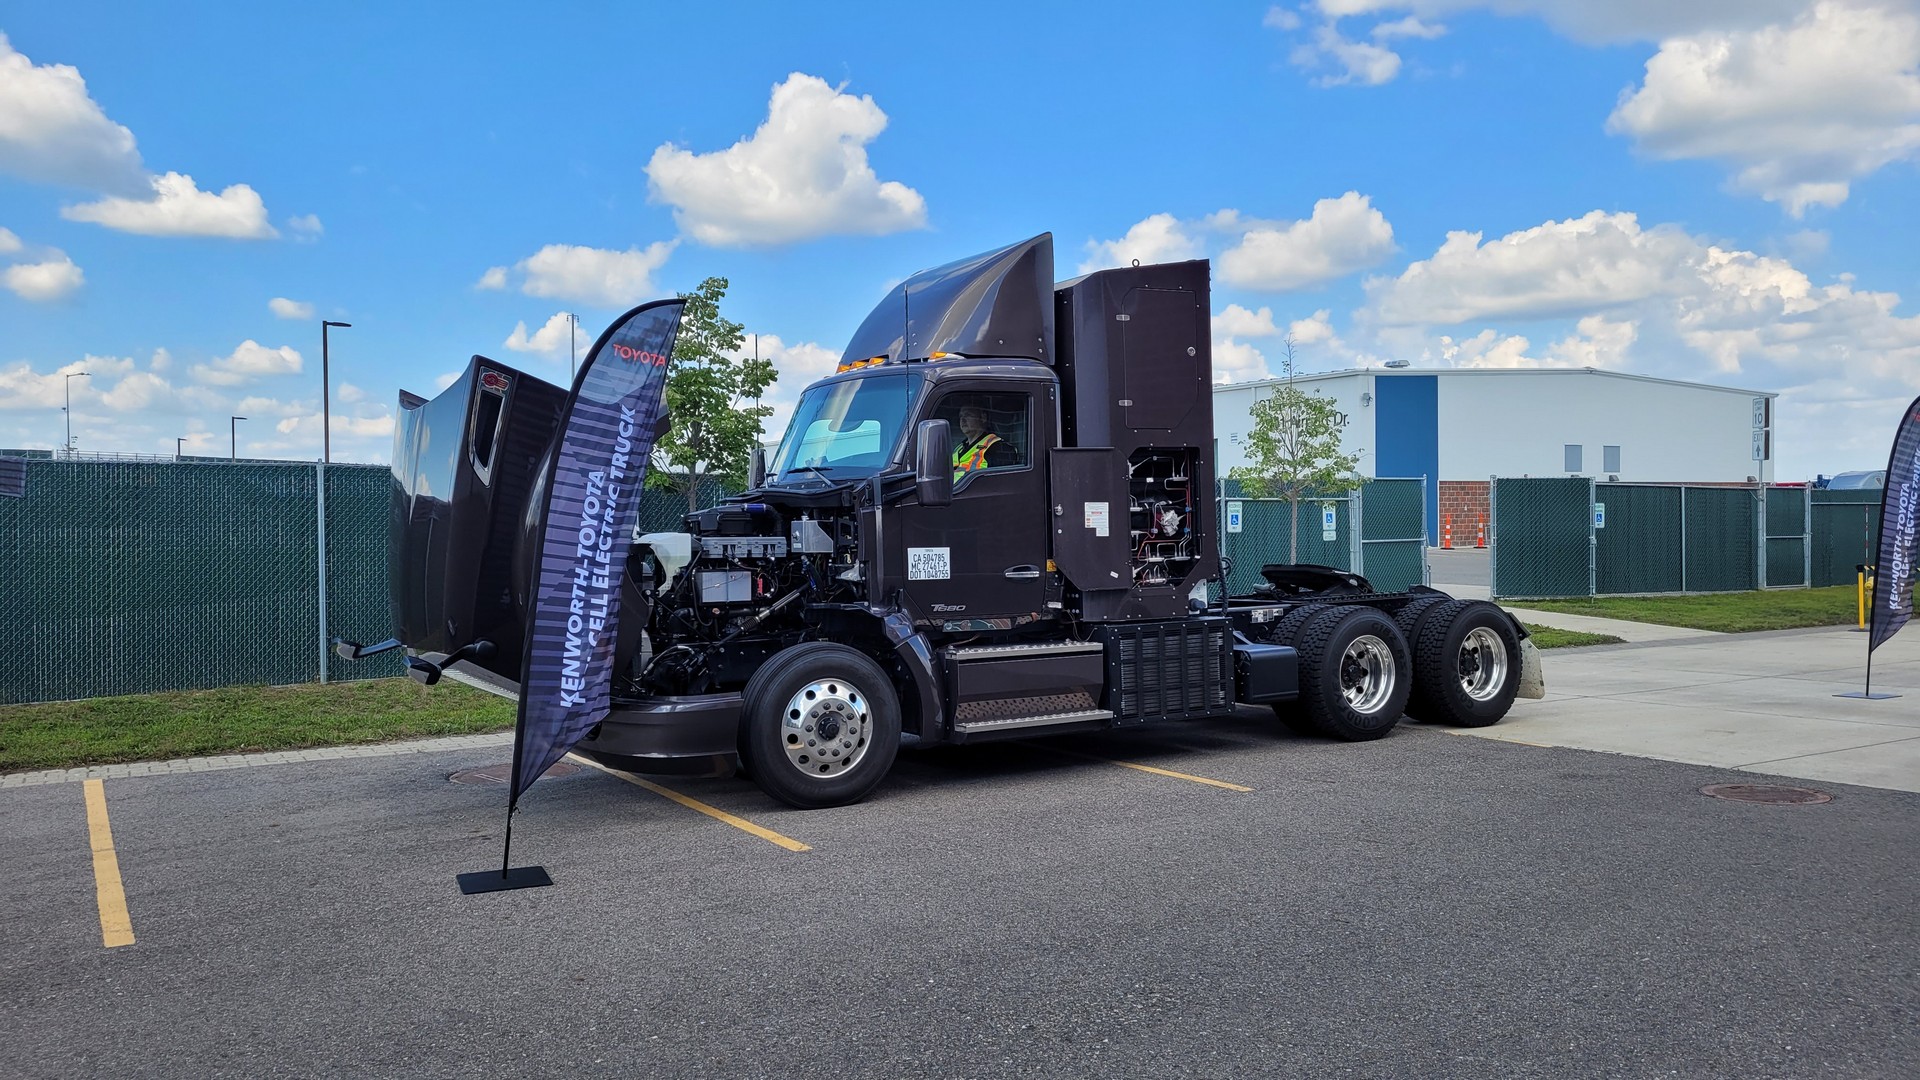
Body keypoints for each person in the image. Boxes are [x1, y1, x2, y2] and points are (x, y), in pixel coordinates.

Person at [951, 401, 1018, 480]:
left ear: (983, 418)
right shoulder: (959, 448)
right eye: (961, 416)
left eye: (968, 415)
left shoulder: (999, 448)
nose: (962, 420)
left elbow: (1001, 482)